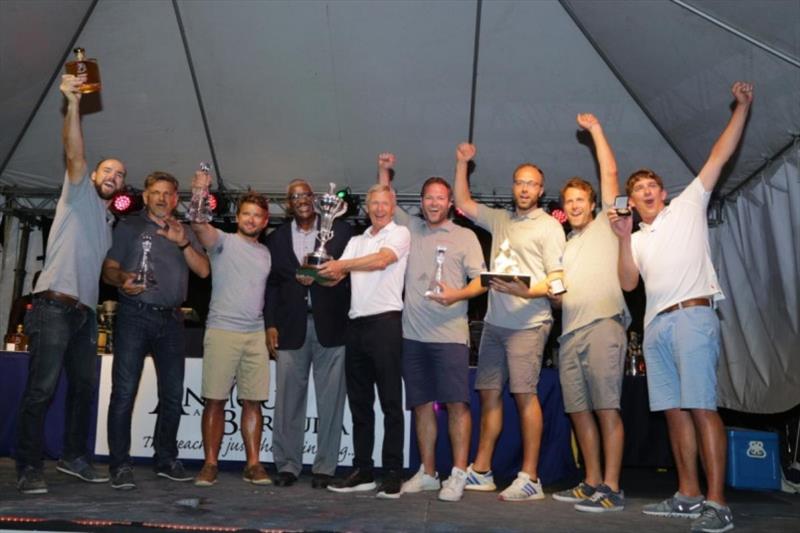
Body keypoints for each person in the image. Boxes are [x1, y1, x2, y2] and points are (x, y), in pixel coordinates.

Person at [609, 81, 753, 533]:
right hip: (656, 327)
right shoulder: (632, 238)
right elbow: (629, 281)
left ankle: (718, 502)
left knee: (702, 407)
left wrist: (742, 108)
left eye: (653, 185)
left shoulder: (688, 205)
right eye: (640, 189)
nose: (648, 191)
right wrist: (619, 239)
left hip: (693, 316)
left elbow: (718, 155)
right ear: (630, 202)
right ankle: (688, 495)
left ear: (662, 193)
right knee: (673, 411)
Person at [15, 73, 126, 494]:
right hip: (53, 306)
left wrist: (123, 278)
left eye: (120, 175)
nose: (113, 177)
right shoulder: (77, 191)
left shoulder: (109, 221)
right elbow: (73, 152)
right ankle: (28, 466)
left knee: (83, 387)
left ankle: (73, 457)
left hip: (84, 314)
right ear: (95, 174)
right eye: (108, 170)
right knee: (41, 389)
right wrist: (74, 104)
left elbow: (103, 270)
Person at [453, 143, 565, 501]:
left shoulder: (549, 227)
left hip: (530, 324)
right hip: (494, 325)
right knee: (488, 395)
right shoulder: (500, 219)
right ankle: (482, 470)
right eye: (519, 182)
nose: (524, 189)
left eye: (531, 184)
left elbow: (557, 279)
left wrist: (525, 290)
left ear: (541, 190)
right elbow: (464, 203)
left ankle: (531, 477)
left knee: (524, 396)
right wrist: (462, 163)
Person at [376, 153, 486, 501]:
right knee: (422, 405)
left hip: (450, 337)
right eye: (428, 197)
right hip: (413, 337)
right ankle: (427, 472)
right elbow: (386, 200)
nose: (434, 202)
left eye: (441, 197)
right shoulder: (410, 229)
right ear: (421, 202)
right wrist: (384, 170)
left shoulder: (465, 235)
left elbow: (483, 281)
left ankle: (457, 473)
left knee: (456, 405)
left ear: (450, 202)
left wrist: (457, 295)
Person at [102, 171, 210, 490]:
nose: (162, 198)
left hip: (173, 320)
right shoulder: (130, 226)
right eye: (156, 193)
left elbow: (203, 270)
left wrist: (183, 243)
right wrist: (122, 278)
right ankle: (119, 464)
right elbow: (108, 269)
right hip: (135, 315)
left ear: (177, 199)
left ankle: (165, 459)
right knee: (124, 392)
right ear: (146, 196)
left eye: (168, 193)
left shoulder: (185, 229)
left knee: (173, 395)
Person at [549, 114, 630, 513]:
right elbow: (561, 295)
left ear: (593, 204)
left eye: (581, 200)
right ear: (563, 208)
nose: (575, 206)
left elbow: (611, 172)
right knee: (579, 413)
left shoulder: (604, 225)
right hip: (569, 336)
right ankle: (592, 481)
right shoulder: (564, 244)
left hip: (604, 327)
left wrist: (597, 130)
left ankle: (612, 487)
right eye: (569, 202)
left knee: (606, 408)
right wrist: (553, 296)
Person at [319, 184, 410, 499]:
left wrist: (340, 265)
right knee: (359, 404)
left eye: (385, 203)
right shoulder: (357, 241)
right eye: (374, 203)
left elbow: (381, 261)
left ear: (393, 205)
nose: (380, 209)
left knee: (390, 403)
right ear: (367, 207)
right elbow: (337, 276)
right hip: (355, 326)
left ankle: (393, 472)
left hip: (385, 324)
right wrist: (314, 272)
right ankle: (363, 470)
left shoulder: (400, 234)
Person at [266, 179, 351, 489]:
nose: (301, 200)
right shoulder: (275, 238)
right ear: (289, 203)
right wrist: (270, 324)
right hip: (290, 328)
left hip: (333, 326)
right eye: (294, 196)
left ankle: (325, 467)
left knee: (331, 402)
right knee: (288, 401)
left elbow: (351, 276)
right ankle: (287, 465)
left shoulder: (341, 232)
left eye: (305, 195)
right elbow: (273, 285)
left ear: (315, 200)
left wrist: (330, 278)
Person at [190, 176, 273, 488]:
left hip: (255, 335)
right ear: (238, 217)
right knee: (215, 400)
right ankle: (210, 463)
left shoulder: (266, 253)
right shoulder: (222, 242)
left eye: (257, 215)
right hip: (222, 331)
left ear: (264, 221)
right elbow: (198, 224)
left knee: (253, 402)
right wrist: (200, 190)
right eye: (246, 214)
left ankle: (253, 464)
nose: (251, 219)